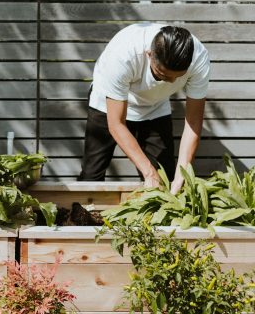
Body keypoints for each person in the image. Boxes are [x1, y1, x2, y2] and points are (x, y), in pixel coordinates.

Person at [78, 23, 210, 194]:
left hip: (155, 106)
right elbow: (116, 124)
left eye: (177, 78)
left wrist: (182, 174)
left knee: (164, 179)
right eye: (162, 75)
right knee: (91, 176)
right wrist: (149, 172)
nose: (170, 82)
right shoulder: (123, 55)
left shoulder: (199, 58)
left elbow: (193, 122)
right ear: (149, 54)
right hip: (107, 104)